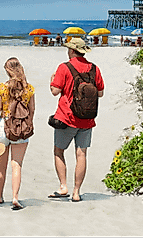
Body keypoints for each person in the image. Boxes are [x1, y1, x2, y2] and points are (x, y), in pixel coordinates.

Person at [49, 37, 105, 202]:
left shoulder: (64, 67)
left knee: (58, 151)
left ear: (72, 51)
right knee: (81, 155)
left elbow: (54, 91)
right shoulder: (94, 69)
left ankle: (63, 186)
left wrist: (52, 79)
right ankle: (76, 192)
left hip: (66, 117)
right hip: (87, 119)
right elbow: (100, 93)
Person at [0, 57, 35, 210]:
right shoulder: (29, 88)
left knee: (1, 166)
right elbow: (32, 110)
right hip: (21, 129)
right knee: (16, 165)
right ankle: (15, 198)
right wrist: (28, 125)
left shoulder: (1, 88)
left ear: (7, 70)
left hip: (2, 129)